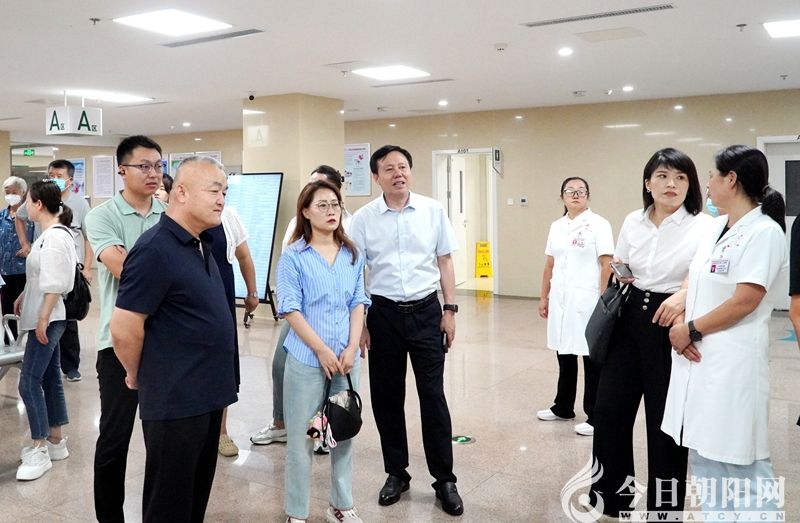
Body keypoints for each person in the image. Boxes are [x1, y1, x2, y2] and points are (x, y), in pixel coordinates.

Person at [662, 145, 788, 518]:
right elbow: (696, 278)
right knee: (706, 456)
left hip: (733, 362)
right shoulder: (718, 227)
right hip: (702, 360)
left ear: (731, 179)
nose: (708, 183)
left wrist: (690, 329)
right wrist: (684, 313)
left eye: (712, 176)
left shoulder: (763, 232)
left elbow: (744, 301)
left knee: (741, 462)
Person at [111, 156, 237, 522]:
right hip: (176, 401)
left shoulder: (200, 242)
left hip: (207, 396)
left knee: (193, 501)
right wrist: (138, 373)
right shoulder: (155, 249)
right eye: (214, 191)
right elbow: (124, 327)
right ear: (180, 193)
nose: (221, 200)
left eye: (224, 192)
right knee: (169, 506)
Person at [589, 148, 712, 519]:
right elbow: (620, 263)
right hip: (629, 318)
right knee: (609, 411)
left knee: (666, 424)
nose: (670, 184)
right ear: (648, 183)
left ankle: (665, 510)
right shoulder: (633, 220)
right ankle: (612, 499)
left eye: (680, 177)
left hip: (672, 323)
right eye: (662, 176)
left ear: (690, 185)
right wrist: (620, 272)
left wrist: (684, 296)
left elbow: (705, 275)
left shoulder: (704, 225)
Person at [349, 145, 463, 516]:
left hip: (427, 313)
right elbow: (355, 272)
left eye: (403, 167)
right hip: (383, 316)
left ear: (410, 171)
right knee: (387, 398)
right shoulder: (364, 219)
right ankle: (396, 473)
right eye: (389, 168)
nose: (398, 173)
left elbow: (445, 261)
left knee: (433, 396)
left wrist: (450, 310)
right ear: (376, 176)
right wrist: (360, 324)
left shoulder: (432, 210)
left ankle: (444, 479)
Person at [86, 135, 167, 522]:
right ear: (122, 170)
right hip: (117, 343)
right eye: (144, 166)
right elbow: (124, 270)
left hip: (166, 344)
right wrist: (171, 273)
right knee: (115, 439)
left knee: (163, 441)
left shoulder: (169, 213)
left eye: (158, 166)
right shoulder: (102, 216)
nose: (153, 174)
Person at [278, 179, 369, 523]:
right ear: (305, 211)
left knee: (342, 432)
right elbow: (290, 308)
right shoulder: (294, 256)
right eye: (322, 205)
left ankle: (341, 505)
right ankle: (296, 512)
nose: (331, 211)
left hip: (346, 361)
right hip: (306, 360)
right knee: (303, 439)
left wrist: (351, 347)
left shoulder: (351, 253)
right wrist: (320, 350)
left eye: (335, 205)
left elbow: (358, 301)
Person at [251, 165, 351, 457]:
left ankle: (320, 432)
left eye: (319, 186)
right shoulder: (297, 223)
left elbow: (355, 280)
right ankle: (280, 424)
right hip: (300, 314)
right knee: (281, 367)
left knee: (329, 377)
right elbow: (289, 264)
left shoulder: (347, 224)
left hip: (333, 319)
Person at [537, 177, 613, 436]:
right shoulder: (557, 226)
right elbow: (550, 265)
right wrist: (544, 297)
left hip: (588, 300)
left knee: (591, 358)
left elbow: (606, 264)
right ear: (562, 197)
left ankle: (596, 416)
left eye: (581, 191)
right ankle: (563, 407)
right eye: (570, 191)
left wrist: (603, 299)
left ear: (588, 196)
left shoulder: (599, 224)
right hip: (561, 300)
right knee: (564, 353)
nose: (576, 195)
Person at [14, 180, 77, 480]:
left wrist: (42, 318)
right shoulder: (48, 235)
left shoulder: (53, 237)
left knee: (28, 382)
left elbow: (55, 282)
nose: (24, 206)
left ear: (38, 204)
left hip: (49, 319)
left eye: (28, 201)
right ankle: (55, 440)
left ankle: (39, 448)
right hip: (46, 315)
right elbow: (41, 276)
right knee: (50, 378)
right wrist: (24, 295)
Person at [16, 160, 92, 382]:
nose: (53, 179)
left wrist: (87, 267)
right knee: (53, 330)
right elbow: (20, 216)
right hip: (43, 268)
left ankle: (71, 365)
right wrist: (25, 244)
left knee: (64, 319)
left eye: (58, 175)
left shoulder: (76, 208)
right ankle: (54, 364)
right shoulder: (41, 205)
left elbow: (88, 238)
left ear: (70, 180)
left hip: (67, 270)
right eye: (51, 175)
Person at [210, 204, 259, 457]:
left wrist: (252, 292)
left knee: (223, 362)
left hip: (223, 292)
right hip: (191, 294)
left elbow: (244, 256)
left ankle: (221, 432)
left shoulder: (227, 215)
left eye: (223, 191)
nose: (219, 197)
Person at [1, 176, 34, 342]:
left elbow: (40, 237)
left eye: (14, 192)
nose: (10, 196)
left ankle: (31, 340)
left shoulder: (31, 216)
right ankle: (10, 341)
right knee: (7, 308)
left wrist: (30, 247)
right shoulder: (1, 216)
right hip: (5, 271)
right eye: (7, 192)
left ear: (22, 192)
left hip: (25, 270)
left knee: (27, 307)